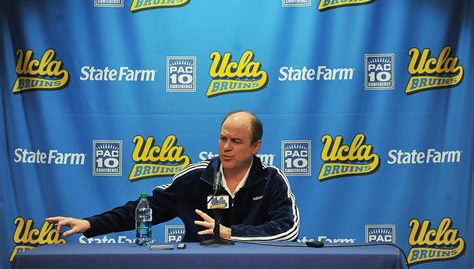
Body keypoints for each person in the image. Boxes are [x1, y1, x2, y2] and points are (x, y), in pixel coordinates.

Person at [47, 110, 300, 242]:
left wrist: (227, 232)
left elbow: (287, 231)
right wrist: (92, 223)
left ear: (256, 146)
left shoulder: (272, 180)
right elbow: (146, 209)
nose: (226, 147)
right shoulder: (197, 178)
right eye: (222, 138)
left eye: (235, 141)